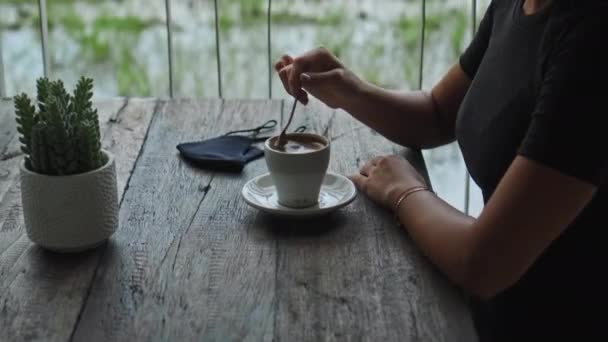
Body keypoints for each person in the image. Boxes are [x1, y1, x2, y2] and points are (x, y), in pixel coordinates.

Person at [274, 0, 607, 340]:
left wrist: (405, 191)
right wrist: (349, 90)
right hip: (485, 311)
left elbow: (482, 262)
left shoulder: (592, 41)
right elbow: (437, 114)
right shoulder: (516, 5)